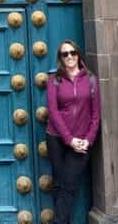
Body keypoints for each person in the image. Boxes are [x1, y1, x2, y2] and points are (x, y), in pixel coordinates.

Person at [45, 39, 101, 223]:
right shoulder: (54, 80)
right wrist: (69, 140)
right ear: (60, 58)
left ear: (78, 55)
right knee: (60, 185)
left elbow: (96, 114)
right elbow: (53, 111)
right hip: (57, 139)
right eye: (65, 54)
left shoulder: (91, 80)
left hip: (83, 140)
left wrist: (88, 140)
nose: (69, 56)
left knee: (69, 185)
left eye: (72, 53)